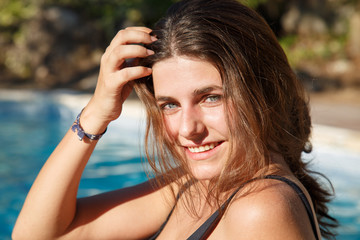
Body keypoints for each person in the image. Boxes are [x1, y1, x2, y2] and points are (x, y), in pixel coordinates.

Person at [12, 0, 338, 239]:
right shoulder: (195, 186)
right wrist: (97, 113)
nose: (187, 129)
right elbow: (37, 235)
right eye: (169, 105)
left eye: (211, 97)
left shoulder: (261, 209)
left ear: (263, 91)